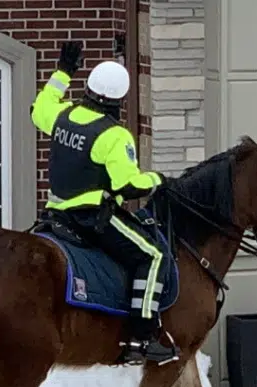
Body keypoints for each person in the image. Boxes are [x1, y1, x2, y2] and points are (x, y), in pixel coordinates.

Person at [31, 40, 179, 366]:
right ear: (119, 100)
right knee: (154, 255)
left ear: (88, 87)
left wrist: (63, 71)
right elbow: (126, 186)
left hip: (55, 213)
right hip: (89, 218)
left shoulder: (63, 114)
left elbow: (40, 106)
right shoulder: (114, 135)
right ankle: (142, 337)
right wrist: (159, 180)